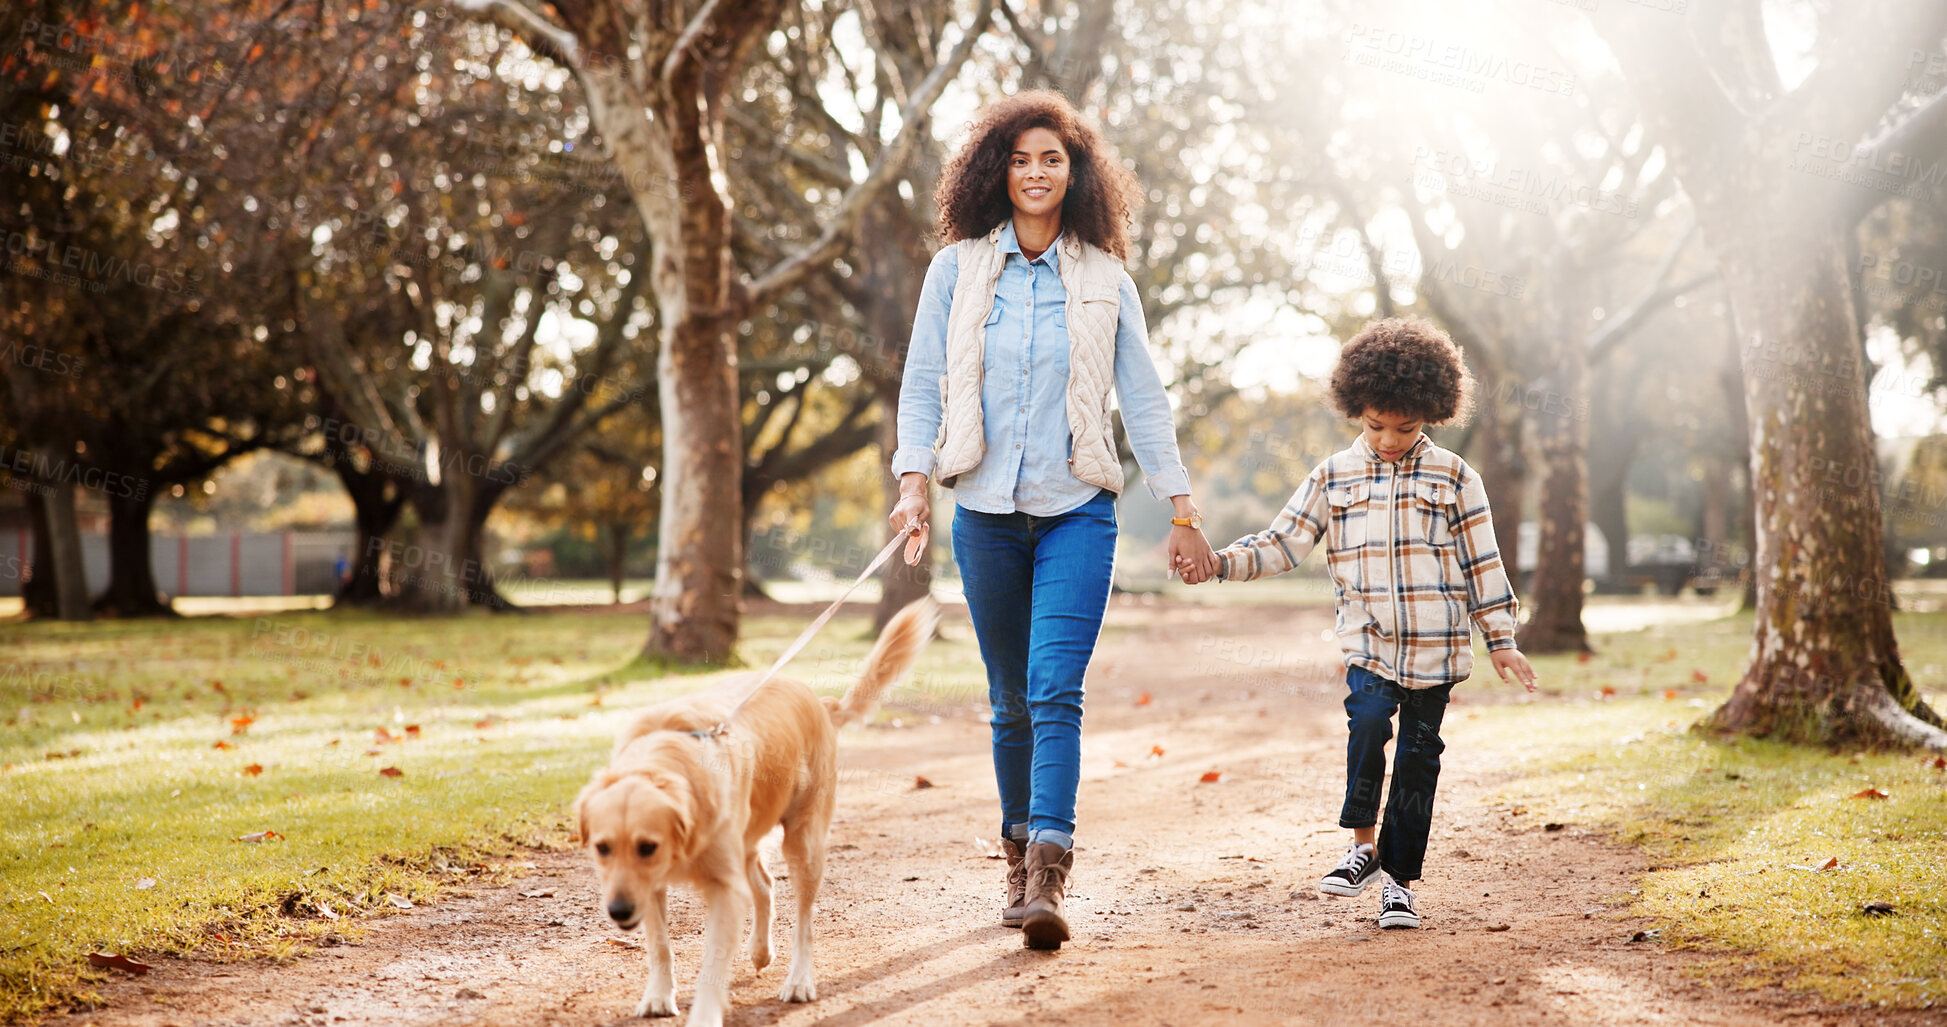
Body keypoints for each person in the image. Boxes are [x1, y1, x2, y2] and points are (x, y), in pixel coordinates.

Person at [887, 90, 1220, 951]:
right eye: (1021, 158)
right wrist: (913, 481)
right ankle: (1012, 854)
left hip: (1078, 511)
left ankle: (1047, 869)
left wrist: (1180, 508)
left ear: (1077, 176)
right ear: (994, 170)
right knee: (1008, 704)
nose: (1035, 173)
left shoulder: (1105, 279)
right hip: (985, 513)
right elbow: (923, 380)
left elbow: (1143, 399)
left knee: (1053, 688)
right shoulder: (955, 270)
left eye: (1053, 159)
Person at [1180, 316, 1539, 929]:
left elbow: (1483, 560)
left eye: (1407, 427)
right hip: (1368, 643)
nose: (1390, 439)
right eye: (1376, 425)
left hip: (1437, 649)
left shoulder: (1455, 477)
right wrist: (1220, 563)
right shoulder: (1332, 476)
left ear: (1432, 412)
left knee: (1420, 760)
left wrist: (1501, 640)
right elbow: (1284, 542)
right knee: (1369, 723)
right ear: (1356, 411)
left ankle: (1399, 882)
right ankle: (1362, 848)